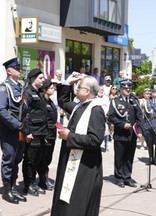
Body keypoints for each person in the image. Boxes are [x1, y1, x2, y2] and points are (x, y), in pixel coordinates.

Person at [51, 73, 105, 216]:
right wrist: (68, 82)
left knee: (77, 203)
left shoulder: (96, 110)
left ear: (87, 91)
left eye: (79, 87)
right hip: (70, 160)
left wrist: (70, 136)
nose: (76, 89)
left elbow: (95, 140)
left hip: (84, 165)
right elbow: (62, 101)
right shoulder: (78, 106)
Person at [0, 57, 27, 204]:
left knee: (17, 159)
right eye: (17, 68)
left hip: (20, 129)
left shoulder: (19, 86)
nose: (19, 70)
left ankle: (13, 187)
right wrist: (16, 124)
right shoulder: (4, 87)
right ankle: (7, 190)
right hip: (9, 129)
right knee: (9, 158)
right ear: (9, 71)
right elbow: (0, 108)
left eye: (19, 68)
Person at [108, 79, 144, 188]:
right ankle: (119, 178)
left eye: (129, 88)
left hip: (132, 134)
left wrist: (140, 131)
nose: (127, 90)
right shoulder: (115, 101)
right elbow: (111, 117)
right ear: (121, 89)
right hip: (120, 134)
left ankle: (127, 177)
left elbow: (139, 117)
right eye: (125, 88)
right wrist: (122, 124)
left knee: (129, 157)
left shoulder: (134, 100)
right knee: (120, 157)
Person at [21, 68, 47, 196]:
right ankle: (27, 185)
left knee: (37, 160)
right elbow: (24, 114)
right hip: (32, 131)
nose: (43, 80)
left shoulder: (40, 93)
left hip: (41, 132)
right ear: (33, 79)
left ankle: (33, 182)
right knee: (30, 160)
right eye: (41, 78)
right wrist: (27, 132)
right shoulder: (28, 92)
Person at [38, 79, 57, 191]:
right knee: (43, 158)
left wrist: (60, 127)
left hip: (52, 133)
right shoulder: (42, 102)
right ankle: (42, 180)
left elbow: (53, 119)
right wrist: (43, 135)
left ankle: (45, 178)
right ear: (45, 89)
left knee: (48, 158)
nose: (53, 89)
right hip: (46, 134)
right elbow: (43, 119)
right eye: (51, 87)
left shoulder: (50, 101)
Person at [97, 85, 110, 151]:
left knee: (106, 131)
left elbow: (108, 106)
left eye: (102, 89)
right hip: (97, 117)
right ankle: (98, 145)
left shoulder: (106, 98)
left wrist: (105, 113)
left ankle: (106, 145)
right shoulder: (95, 98)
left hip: (105, 116)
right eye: (100, 89)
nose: (101, 91)